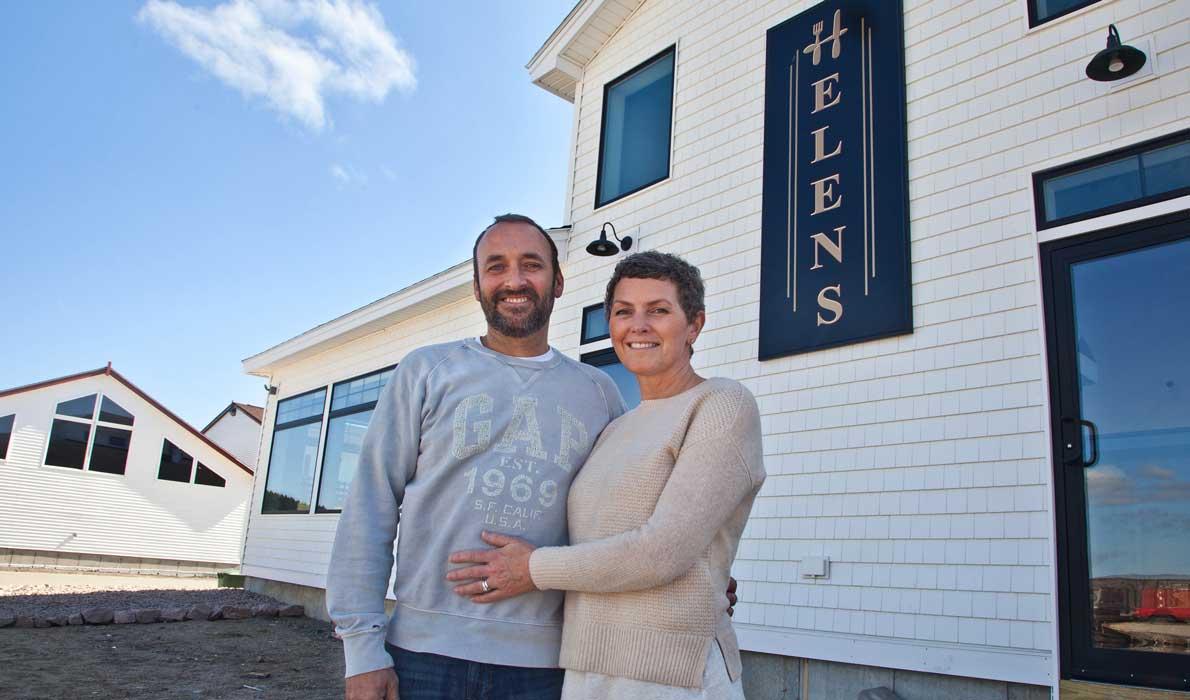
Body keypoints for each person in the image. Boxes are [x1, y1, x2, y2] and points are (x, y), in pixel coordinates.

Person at [326, 214, 627, 700]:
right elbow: (370, 507)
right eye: (496, 267)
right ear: (476, 285)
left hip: (547, 666)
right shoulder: (426, 371)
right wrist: (362, 649)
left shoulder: (599, 393)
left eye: (531, 265)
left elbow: (626, 513)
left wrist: (696, 577)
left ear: (559, 282)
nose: (514, 280)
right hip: (423, 657)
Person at [447, 251, 766, 699]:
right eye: (623, 312)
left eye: (658, 310)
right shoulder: (614, 426)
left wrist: (531, 567)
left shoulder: (721, 404)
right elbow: (594, 543)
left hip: (672, 676)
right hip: (587, 670)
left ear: (694, 324)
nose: (638, 325)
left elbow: (663, 551)